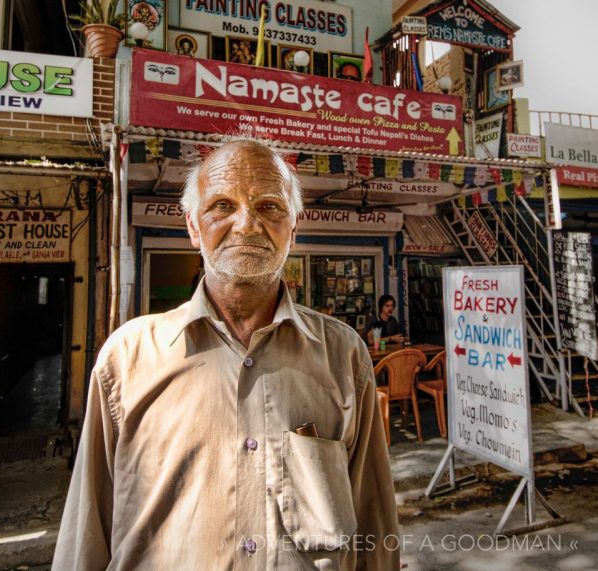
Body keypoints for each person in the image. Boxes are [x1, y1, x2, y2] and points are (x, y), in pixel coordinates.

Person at [53, 139, 400, 570]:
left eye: (269, 206)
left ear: (293, 228)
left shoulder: (344, 354)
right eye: (221, 205)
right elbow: (85, 539)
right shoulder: (126, 360)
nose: (247, 224)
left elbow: (374, 526)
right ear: (194, 227)